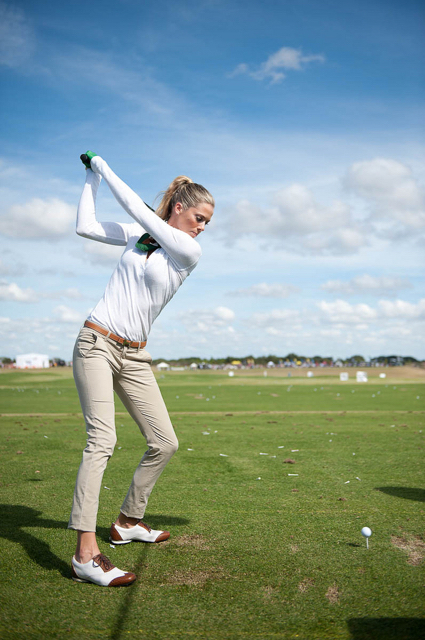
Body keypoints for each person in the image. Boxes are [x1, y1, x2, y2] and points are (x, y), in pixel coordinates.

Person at [69, 152, 214, 587]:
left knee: (164, 442)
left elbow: (136, 209)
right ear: (179, 207)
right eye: (200, 217)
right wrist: (92, 178)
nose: (203, 226)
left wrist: (104, 166)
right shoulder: (141, 235)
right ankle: (84, 553)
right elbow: (86, 226)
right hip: (96, 342)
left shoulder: (187, 248)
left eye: (208, 222)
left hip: (134, 355)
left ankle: (127, 520)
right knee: (103, 440)